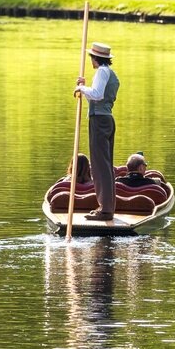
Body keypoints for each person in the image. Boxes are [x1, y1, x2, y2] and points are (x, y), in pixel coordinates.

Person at [73, 41, 120, 219]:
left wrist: (81, 88)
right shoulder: (110, 73)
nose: (90, 60)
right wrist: (85, 89)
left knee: (100, 166)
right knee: (104, 165)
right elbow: (96, 99)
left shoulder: (101, 71)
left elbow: (98, 94)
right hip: (105, 119)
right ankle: (106, 207)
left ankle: (106, 210)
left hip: (100, 122)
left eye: (91, 57)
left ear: (95, 58)